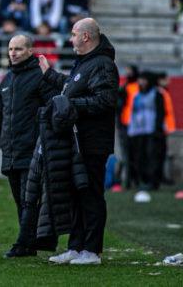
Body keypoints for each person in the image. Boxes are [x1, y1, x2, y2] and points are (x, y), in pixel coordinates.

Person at [41, 18, 119, 265]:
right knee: (76, 193)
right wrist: (50, 76)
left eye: (74, 34)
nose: (70, 39)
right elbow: (70, 88)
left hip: (93, 142)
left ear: (86, 37)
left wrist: (70, 105)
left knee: (91, 193)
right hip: (77, 141)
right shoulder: (85, 63)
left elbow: (105, 101)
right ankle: (75, 246)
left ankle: (92, 250)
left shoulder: (103, 64)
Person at [0, 34, 55, 257]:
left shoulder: (39, 76)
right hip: (11, 150)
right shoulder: (6, 80)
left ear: (29, 51)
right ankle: (29, 244)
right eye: (10, 49)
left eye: (17, 49)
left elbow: (53, 107)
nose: (13, 53)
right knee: (20, 200)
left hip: (33, 149)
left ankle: (21, 244)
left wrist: (43, 139)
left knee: (28, 199)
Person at [127, 71, 166, 190]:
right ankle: (140, 180)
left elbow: (160, 113)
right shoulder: (137, 95)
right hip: (138, 131)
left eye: (144, 80)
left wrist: (157, 129)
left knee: (152, 157)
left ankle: (152, 181)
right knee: (139, 157)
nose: (141, 82)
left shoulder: (157, 94)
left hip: (151, 131)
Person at [117, 65, 139, 188]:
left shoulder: (137, 88)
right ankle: (128, 181)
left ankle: (136, 180)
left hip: (137, 126)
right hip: (125, 125)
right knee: (126, 154)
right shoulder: (124, 88)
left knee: (135, 154)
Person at [157, 72, 176, 184]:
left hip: (164, 129)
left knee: (162, 154)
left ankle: (161, 176)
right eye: (166, 79)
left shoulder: (164, 92)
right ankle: (159, 177)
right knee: (159, 154)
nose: (169, 81)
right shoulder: (160, 93)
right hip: (161, 129)